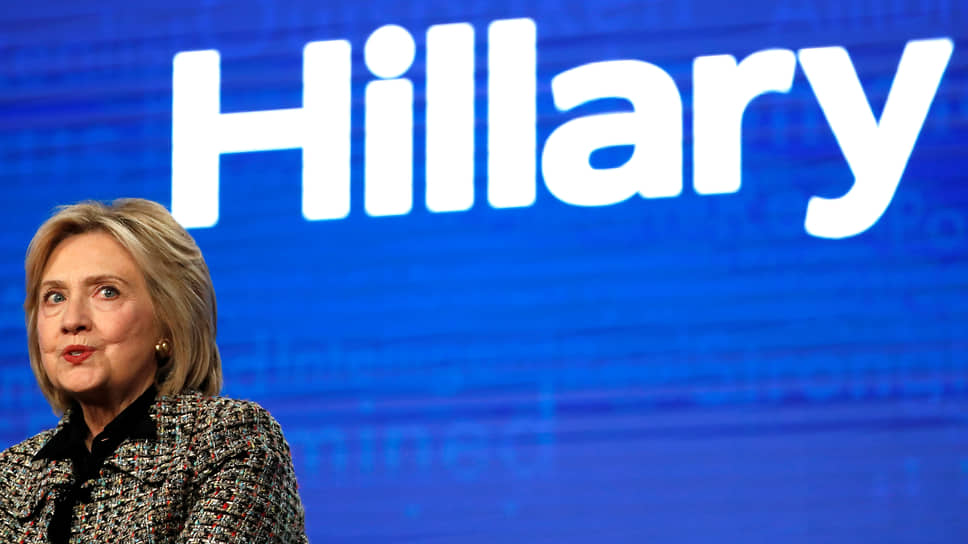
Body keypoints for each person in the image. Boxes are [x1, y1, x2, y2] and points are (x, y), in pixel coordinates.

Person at [0, 199, 309, 543]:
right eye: (55, 297)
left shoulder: (230, 441)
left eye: (107, 292)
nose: (72, 320)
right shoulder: (10, 476)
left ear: (168, 320)